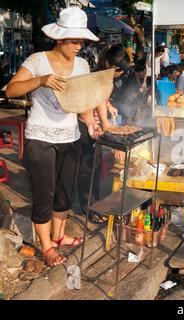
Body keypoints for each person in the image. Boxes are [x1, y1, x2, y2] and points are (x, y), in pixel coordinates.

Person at [5, 7, 102, 267]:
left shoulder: (82, 64)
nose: (78, 46)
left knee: (64, 192)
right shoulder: (38, 61)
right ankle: (46, 247)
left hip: (70, 135)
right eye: (74, 40)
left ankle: (59, 236)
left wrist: (92, 121)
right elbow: (11, 90)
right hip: (41, 137)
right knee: (44, 193)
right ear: (59, 38)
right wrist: (41, 80)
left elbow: (82, 100)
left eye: (81, 41)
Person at [77, 45, 130, 224]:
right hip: (87, 127)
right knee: (88, 168)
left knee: (96, 167)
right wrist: (116, 142)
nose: (120, 74)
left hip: (95, 125)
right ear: (109, 64)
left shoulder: (104, 76)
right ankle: (89, 208)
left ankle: (95, 204)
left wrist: (110, 107)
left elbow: (103, 101)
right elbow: (103, 119)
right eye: (118, 71)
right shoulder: (100, 79)